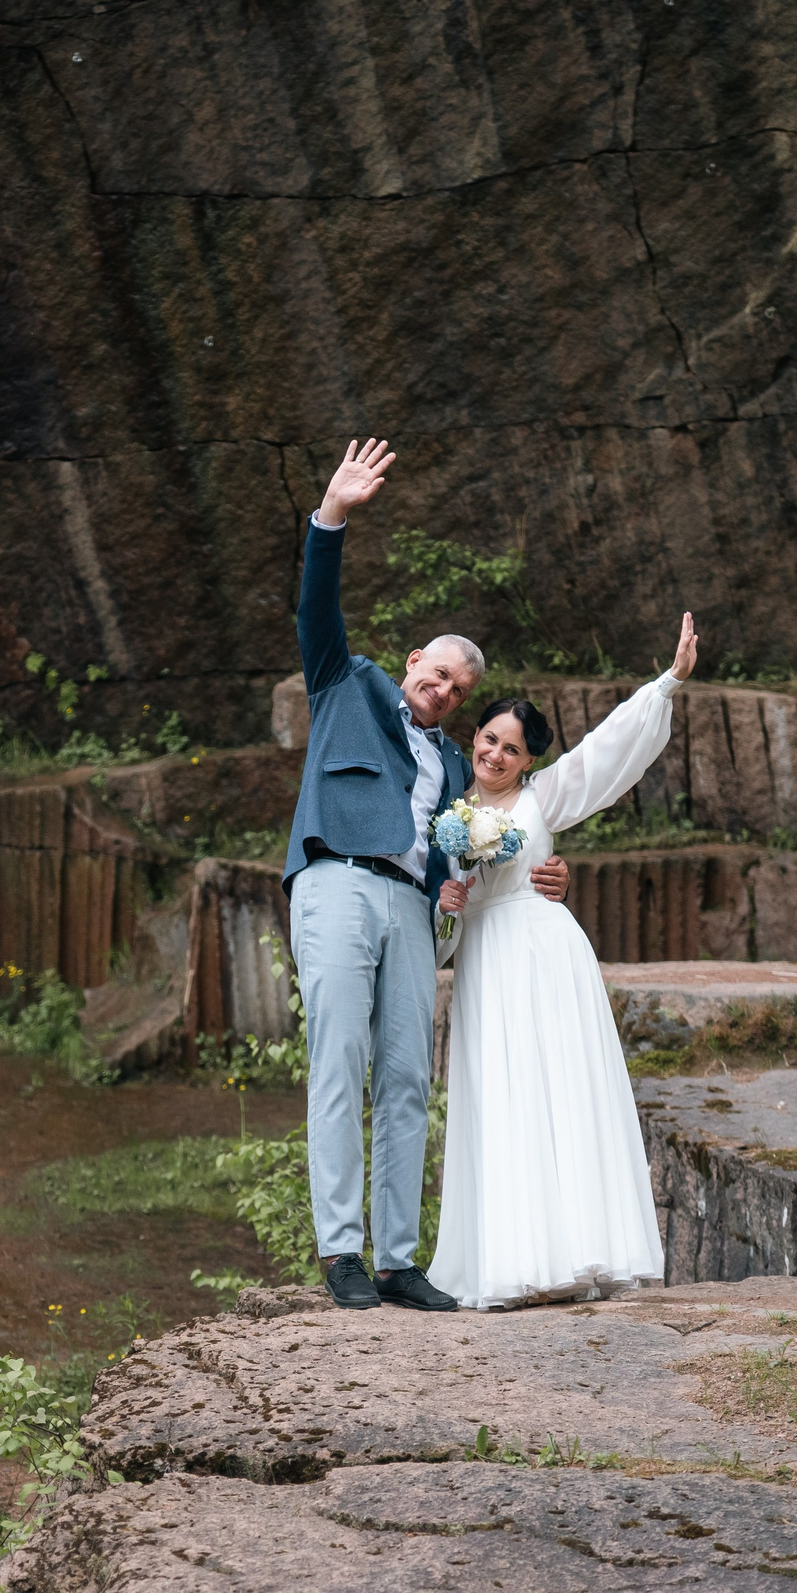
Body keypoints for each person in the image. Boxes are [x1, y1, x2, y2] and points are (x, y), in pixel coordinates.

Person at [282, 438, 571, 1313]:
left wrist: (545, 871)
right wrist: (332, 513)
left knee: (408, 1074)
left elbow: (492, 839)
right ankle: (341, 1250)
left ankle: (399, 1255)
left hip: (411, 906)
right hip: (335, 880)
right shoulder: (347, 684)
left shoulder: (455, 770)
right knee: (340, 1058)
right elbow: (315, 607)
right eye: (437, 674)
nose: (444, 691)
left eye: (460, 689)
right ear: (412, 662)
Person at [427, 618, 697, 1308]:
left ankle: (575, 1252)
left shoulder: (542, 798)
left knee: (557, 1094)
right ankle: (508, 1260)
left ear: (526, 760)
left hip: (545, 956)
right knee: (497, 1098)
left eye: (511, 748)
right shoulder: (445, 809)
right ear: (474, 738)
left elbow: (605, 751)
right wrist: (447, 903)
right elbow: (441, 911)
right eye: (488, 738)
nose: (495, 753)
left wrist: (667, 681)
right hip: (485, 964)